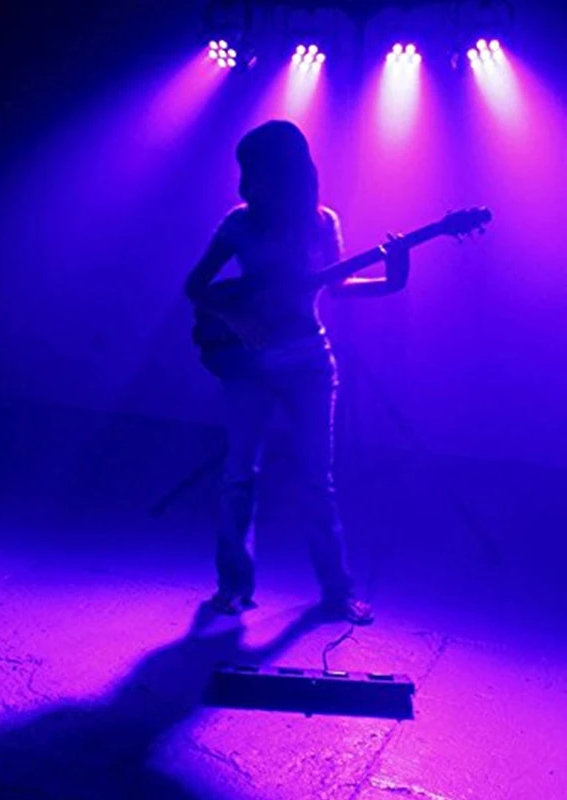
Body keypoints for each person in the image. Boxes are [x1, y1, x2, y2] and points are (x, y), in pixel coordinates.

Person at [184, 120, 410, 624]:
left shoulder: (322, 223)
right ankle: (232, 587)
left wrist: (394, 277)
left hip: (309, 362)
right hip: (248, 364)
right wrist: (238, 322)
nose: (245, 182)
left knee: (316, 480)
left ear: (284, 172)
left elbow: (340, 288)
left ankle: (337, 592)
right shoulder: (238, 224)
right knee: (239, 475)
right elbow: (196, 287)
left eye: (254, 170)